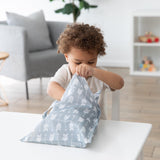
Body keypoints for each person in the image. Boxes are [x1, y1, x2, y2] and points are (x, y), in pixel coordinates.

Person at [47, 23, 124, 119]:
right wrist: (72, 99)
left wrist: (94, 71)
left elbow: (119, 83)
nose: (84, 67)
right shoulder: (65, 72)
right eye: (78, 63)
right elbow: (51, 88)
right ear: (67, 57)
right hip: (70, 123)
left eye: (91, 62)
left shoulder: (99, 74)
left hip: (97, 124)